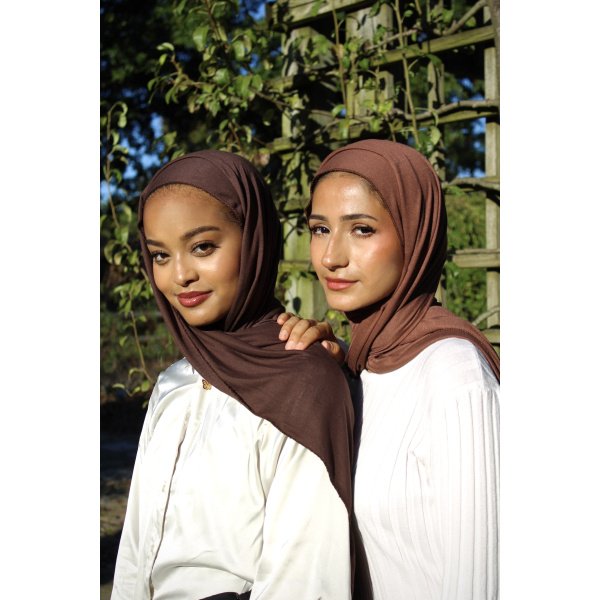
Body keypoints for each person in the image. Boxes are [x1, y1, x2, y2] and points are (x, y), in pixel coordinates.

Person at [111, 150, 358, 600]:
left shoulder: (303, 382)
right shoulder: (175, 382)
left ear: (254, 241)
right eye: (160, 255)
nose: (180, 275)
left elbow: (304, 578)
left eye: (203, 247)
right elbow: (135, 553)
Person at [278, 139, 500, 600]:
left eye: (361, 229)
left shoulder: (454, 374)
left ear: (415, 235)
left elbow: (482, 581)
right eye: (320, 229)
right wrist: (332, 372)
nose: (331, 256)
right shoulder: (363, 364)